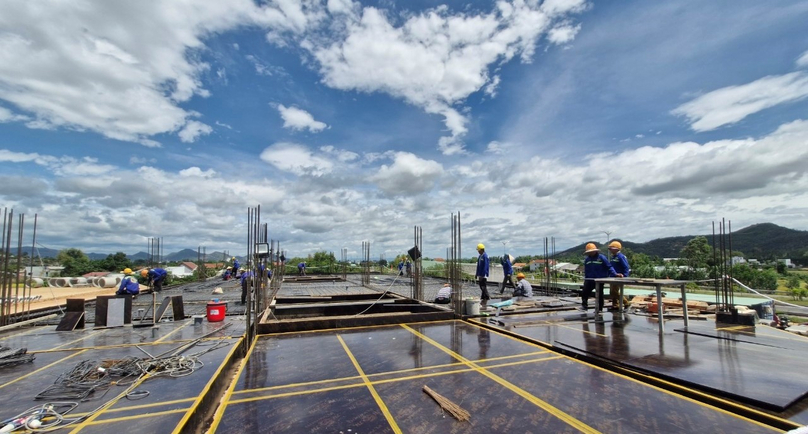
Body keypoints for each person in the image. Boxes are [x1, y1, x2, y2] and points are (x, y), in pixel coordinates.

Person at [582, 243, 617, 311]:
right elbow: (586, 270)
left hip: (599, 280)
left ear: (595, 251)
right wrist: (586, 278)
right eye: (589, 252)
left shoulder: (601, 258)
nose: (590, 253)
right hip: (589, 279)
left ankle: (599, 309)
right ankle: (584, 306)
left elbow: (609, 267)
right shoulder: (587, 259)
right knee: (584, 292)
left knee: (599, 294)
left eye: (591, 252)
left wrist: (615, 274)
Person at [608, 241, 630, 309]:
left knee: (614, 292)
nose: (610, 250)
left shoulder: (621, 257)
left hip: (618, 277)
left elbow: (626, 267)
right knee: (612, 292)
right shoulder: (613, 257)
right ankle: (615, 305)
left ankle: (626, 302)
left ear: (616, 248)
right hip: (613, 277)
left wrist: (625, 276)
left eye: (611, 248)